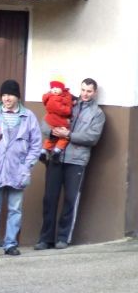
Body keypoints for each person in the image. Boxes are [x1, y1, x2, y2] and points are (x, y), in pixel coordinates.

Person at [34, 78, 105, 250]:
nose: (85, 94)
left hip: (76, 161)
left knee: (70, 200)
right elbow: (45, 123)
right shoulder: (68, 103)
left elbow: (92, 138)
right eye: (83, 90)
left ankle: (63, 238)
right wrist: (53, 132)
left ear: (94, 92)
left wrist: (69, 135)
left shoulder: (97, 114)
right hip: (55, 158)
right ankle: (45, 239)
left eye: (89, 91)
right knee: (49, 199)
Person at [0, 79, 41, 258]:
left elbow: (36, 145)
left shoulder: (28, 117)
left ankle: (11, 244)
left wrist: (26, 165)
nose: (6, 98)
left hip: (17, 172)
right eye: (4, 95)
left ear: (17, 97)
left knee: (15, 210)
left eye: (10, 95)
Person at [40, 77, 73, 163]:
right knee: (64, 137)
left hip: (50, 120)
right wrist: (68, 110)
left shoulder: (49, 96)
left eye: (57, 88)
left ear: (62, 88)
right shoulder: (58, 97)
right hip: (59, 121)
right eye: (53, 88)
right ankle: (57, 150)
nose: (54, 90)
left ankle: (44, 150)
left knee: (51, 138)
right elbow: (64, 109)